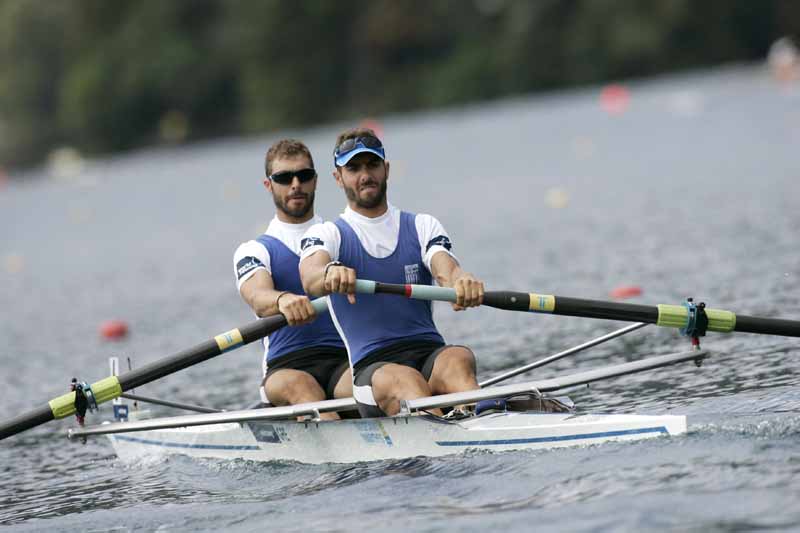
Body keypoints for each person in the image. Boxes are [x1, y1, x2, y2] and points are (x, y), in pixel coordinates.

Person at [299, 127, 483, 417]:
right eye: (353, 168)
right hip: (372, 369)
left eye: (372, 164)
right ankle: (448, 436)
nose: (365, 174)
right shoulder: (328, 233)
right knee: (406, 380)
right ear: (338, 178)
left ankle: (479, 420)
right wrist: (329, 273)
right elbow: (310, 275)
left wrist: (462, 282)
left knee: (459, 358)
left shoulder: (422, 225)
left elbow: (446, 270)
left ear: (386, 169)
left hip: (429, 354)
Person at [233, 139, 351, 420]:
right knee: (305, 390)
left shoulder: (341, 235)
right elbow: (258, 297)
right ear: (269, 186)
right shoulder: (255, 250)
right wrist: (282, 299)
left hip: (344, 359)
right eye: (284, 178)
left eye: (304, 175)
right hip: (285, 368)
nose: (295, 184)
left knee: (370, 385)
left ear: (316, 181)